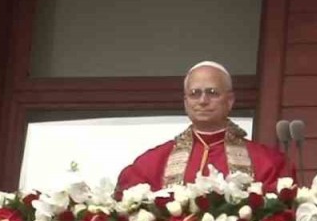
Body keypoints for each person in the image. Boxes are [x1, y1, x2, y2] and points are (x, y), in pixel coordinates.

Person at [116, 61, 289, 190]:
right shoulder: (153, 162)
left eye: (212, 93)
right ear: (186, 102)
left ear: (229, 101)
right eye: (194, 93)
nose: (203, 101)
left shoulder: (267, 162)